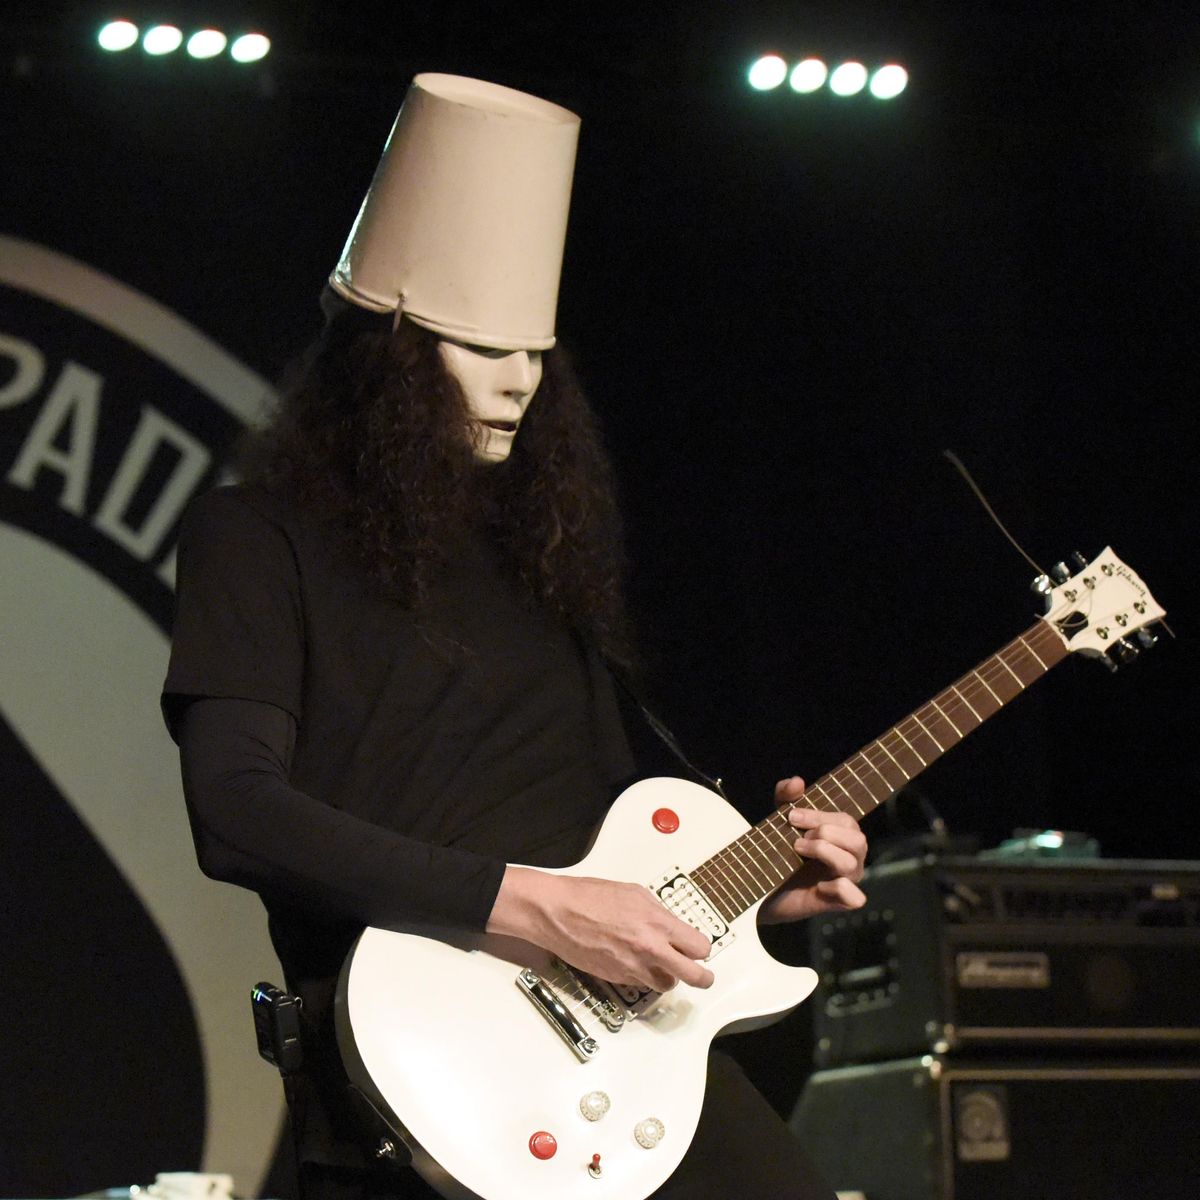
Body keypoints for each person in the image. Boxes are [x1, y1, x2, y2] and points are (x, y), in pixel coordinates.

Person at [163, 74, 867, 1200]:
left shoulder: (542, 562)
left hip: (613, 1058)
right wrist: (539, 908)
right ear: (386, 357)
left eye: (536, 355)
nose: (519, 383)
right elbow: (237, 812)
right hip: (417, 1060)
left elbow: (614, 851)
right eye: (482, 350)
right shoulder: (254, 535)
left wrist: (756, 892)